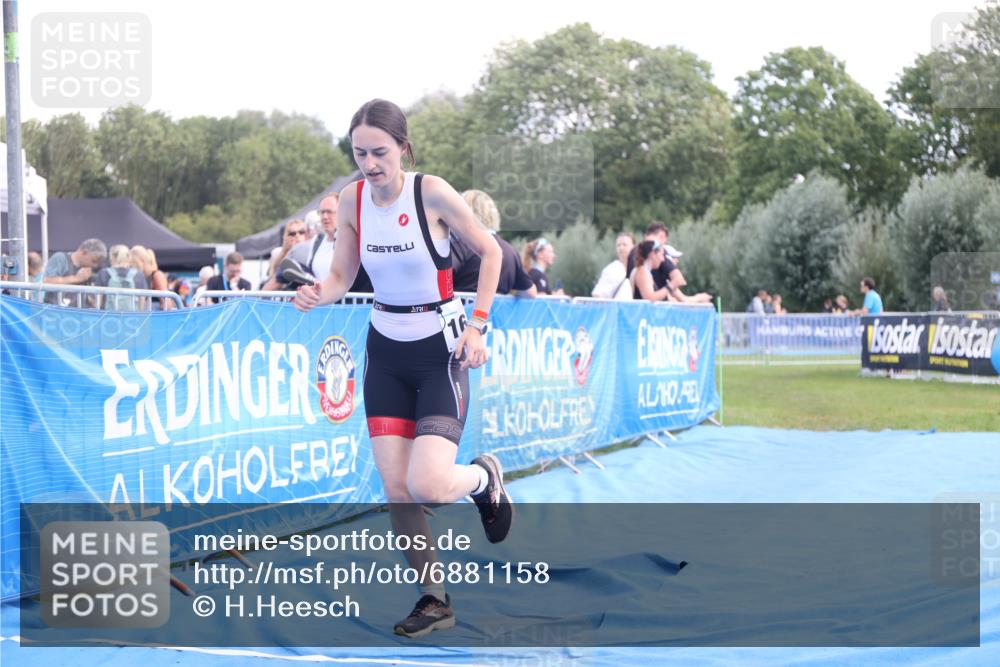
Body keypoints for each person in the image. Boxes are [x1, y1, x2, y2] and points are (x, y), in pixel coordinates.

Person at [293, 99, 511, 638]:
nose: (369, 164)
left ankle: (483, 479)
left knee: (429, 484)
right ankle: (434, 599)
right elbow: (342, 275)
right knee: (398, 490)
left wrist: (479, 325)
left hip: (440, 350)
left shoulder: (430, 192)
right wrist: (319, 294)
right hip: (386, 352)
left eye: (379, 153)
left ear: (403, 148)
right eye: (359, 153)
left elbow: (492, 253)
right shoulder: (352, 201)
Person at [450, 189, 536, 296]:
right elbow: (530, 293)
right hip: (497, 307)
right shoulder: (511, 251)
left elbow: (437, 279)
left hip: (463, 305)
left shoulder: (462, 245)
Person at [42, 238, 107, 305]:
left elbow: (92, 300)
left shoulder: (88, 271)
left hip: (76, 310)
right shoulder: (61, 258)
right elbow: (46, 281)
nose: (95, 266)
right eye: (94, 261)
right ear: (84, 252)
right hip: (54, 309)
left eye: (98, 263)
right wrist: (76, 278)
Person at [93, 244, 148, 310]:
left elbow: (98, 303)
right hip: (131, 315)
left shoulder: (103, 273)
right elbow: (142, 304)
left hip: (109, 315)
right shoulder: (138, 275)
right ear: (128, 257)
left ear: (112, 257)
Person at [591, 233, 634, 300]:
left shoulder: (638, 269)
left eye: (625, 245)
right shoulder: (612, 270)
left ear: (633, 247)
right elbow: (598, 295)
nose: (621, 248)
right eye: (618, 245)